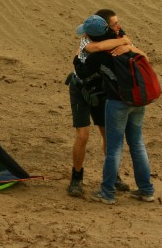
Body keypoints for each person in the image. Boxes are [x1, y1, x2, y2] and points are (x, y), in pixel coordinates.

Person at [74, 20, 155, 205]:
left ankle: (107, 192)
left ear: (90, 36)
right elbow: (144, 58)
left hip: (117, 102)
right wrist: (126, 43)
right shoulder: (124, 44)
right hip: (138, 100)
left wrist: (78, 55)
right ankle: (146, 190)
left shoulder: (98, 55)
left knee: (114, 148)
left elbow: (82, 72)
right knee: (137, 144)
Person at [66, 13, 132, 197]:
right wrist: (123, 43)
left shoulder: (109, 37)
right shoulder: (88, 44)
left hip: (99, 91)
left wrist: (124, 43)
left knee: (107, 133)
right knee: (83, 135)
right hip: (80, 89)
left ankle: (113, 175)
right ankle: (76, 178)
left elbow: (125, 42)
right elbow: (99, 47)